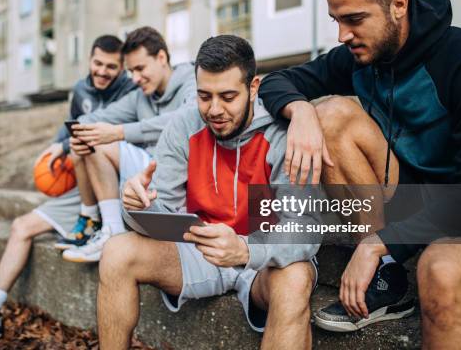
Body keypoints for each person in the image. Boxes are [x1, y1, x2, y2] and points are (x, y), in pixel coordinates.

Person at [258, 0, 461, 347]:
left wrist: (379, 242)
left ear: (399, 4)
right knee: (329, 114)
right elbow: (275, 81)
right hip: (412, 195)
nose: (342, 35)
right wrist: (300, 111)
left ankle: (382, 256)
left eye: (354, 19)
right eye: (336, 21)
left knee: (440, 271)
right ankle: (388, 277)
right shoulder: (358, 56)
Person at [98, 35, 319, 350]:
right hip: (199, 252)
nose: (214, 109)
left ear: (253, 88)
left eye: (228, 96)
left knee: (296, 277)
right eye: (204, 96)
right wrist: (136, 206)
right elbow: (161, 215)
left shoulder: (281, 135)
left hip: (261, 261)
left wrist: (245, 250)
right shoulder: (184, 125)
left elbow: (305, 227)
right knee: (117, 251)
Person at [0, 35, 137, 342]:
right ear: (89, 59)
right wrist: (52, 148)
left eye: (111, 67)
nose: (102, 71)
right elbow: (68, 126)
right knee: (21, 226)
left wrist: (68, 145)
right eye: (97, 63)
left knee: (81, 144)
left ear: (122, 67)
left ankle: (90, 221)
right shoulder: (81, 88)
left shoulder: (132, 91)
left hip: (113, 185)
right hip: (84, 183)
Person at [62, 26, 196, 262]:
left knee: (102, 142)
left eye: (140, 68)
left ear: (162, 58)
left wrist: (119, 132)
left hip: (184, 178)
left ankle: (112, 229)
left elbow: (186, 119)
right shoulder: (140, 96)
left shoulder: (191, 80)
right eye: (131, 71)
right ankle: (107, 228)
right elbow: (92, 119)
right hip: (148, 176)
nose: (135, 78)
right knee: (89, 141)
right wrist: (78, 134)